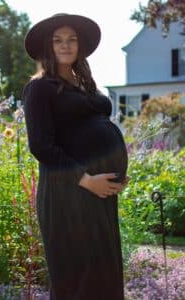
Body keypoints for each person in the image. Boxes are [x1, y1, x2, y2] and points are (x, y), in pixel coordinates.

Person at [22, 13, 129, 300]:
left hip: (98, 194)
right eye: (58, 40)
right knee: (79, 278)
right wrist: (86, 180)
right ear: (48, 47)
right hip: (68, 193)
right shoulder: (39, 88)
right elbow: (42, 147)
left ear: (80, 46)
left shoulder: (86, 87)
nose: (66, 45)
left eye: (72, 40)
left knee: (104, 273)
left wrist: (115, 172)